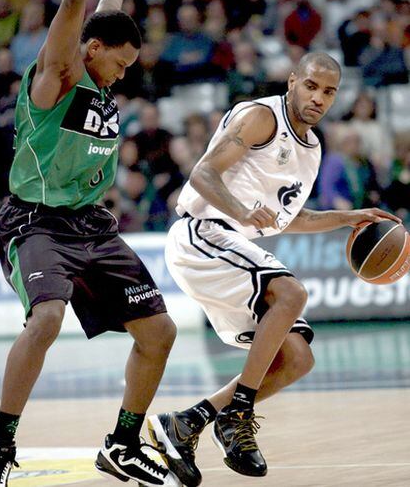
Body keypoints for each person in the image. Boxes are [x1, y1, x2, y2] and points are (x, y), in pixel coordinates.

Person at [0, 0, 178, 486]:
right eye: (119, 63)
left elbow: (102, 15)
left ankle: (123, 445)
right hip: (36, 222)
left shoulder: (99, 75)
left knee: (160, 332)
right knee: (45, 319)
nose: (124, 76)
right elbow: (76, 1)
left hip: (92, 225)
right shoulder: (56, 77)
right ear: (91, 51)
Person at [147, 51, 400, 487]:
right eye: (311, 86)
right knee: (292, 293)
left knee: (297, 358)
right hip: (201, 233)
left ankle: (186, 423)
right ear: (292, 81)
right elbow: (203, 174)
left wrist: (348, 217)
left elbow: (289, 219)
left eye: (329, 91)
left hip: (229, 244)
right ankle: (239, 414)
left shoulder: (313, 150)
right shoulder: (262, 117)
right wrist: (242, 209)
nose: (318, 98)